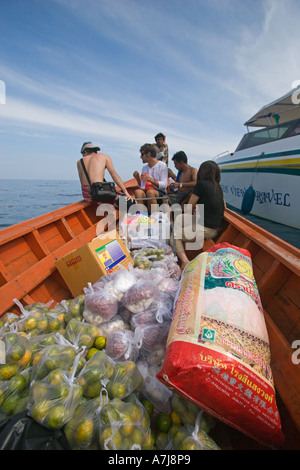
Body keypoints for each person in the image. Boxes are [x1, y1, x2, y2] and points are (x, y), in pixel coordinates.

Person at [173, 160, 225, 269]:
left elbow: (189, 208)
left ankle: (185, 261)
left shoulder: (200, 185)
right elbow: (224, 207)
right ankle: (178, 249)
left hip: (207, 229)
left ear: (202, 172)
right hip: (214, 227)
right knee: (179, 220)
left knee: (174, 236)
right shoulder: (218, 187)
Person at [133, 143, 168, 214]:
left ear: (148, 154)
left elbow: (164, 185)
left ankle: (154, 216)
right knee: (138, 192)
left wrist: (150, 180)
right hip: (148, 191)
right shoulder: (144, 168)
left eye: (142, 154)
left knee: (150, 192)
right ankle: (142, 216)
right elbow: (142, 186)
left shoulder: (162, 165)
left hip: (160, 192)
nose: (140, 157)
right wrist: (137, 178)